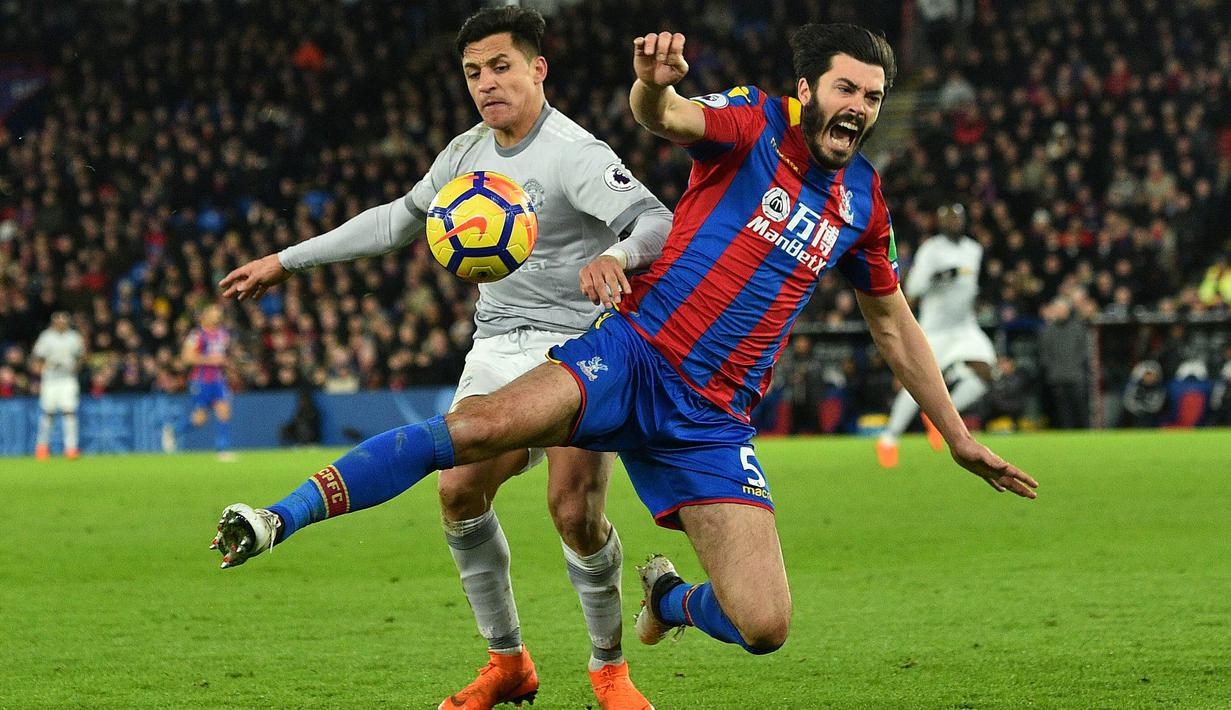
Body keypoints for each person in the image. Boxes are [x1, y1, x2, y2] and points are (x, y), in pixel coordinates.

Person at [211, 22, 1036, 702]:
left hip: (712, 420)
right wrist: (652, 85)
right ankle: (280, 516)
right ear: (807, 90)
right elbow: (667, 117)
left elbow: (891, 320)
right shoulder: (755, 121)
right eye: (845, 89)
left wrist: (957, 435)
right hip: (636, 355)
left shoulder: (863, 202)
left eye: (872, 97)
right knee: (476, 434)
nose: (857, 107)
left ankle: (666, 601)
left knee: (764, 626)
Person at [214, 8, 670, 709]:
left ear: (537, 69)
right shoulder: (464, 155)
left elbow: (653, 220)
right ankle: (507, 661)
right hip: (498, 343)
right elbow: (397, 220)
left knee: (573, 510)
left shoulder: (575, 153)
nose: (486, 83)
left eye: (500, 67)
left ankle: (609, 669)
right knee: (458, 492)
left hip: (581, 345)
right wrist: (286, 260)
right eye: (472, 72)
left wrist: (618, 254)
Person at [875, 203, 997, 467]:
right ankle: (889, 438)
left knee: (986, 372)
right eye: (949, 219)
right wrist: (939, 276)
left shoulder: (973, 250)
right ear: (940, 222)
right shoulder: (931, 249)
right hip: (935, 330)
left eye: (958, 218)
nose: (955, 222)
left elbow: (977, 286)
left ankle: (940, 417)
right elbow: (913, 287)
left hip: (964, 326)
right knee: (919, 384)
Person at [181, 303, 236, 461]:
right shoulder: (197, 335)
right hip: (200, 380)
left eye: (219, 313)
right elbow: (186, 357)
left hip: (218, 380)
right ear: (205, 315)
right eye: (214, 312)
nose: (218, 316)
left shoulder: (223, 334)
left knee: (224, 411)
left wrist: (228, 364)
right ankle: (175, 430)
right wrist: (211, 360)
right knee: (199, 419)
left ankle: (222, 449)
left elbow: (223, 357)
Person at [30, 311, 86, 460]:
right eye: (58, 321)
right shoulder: (46, 337)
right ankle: (42, 447)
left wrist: (77, 367)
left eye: (64, 321)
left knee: (69, 412)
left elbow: (82, 356)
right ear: (54, 322)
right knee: (48, 413)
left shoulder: (73, 337)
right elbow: (37, 356)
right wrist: (40, 369)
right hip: (50, 379)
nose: (61, 324)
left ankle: (71, 448)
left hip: (68, 379)